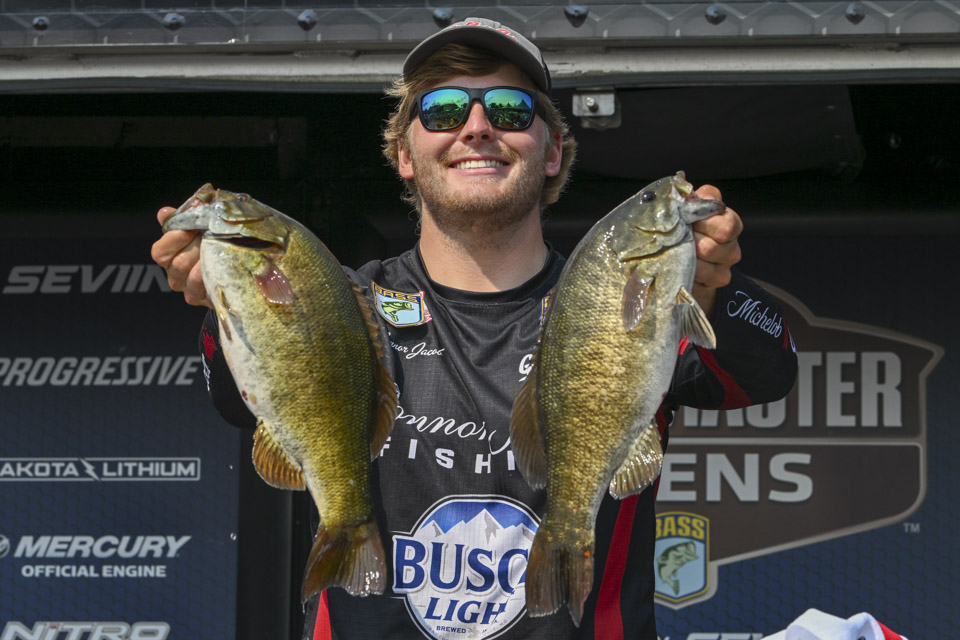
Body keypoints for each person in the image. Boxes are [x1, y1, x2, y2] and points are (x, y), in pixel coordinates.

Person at [151, 16, 798, 640]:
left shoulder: (611, 299)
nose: (478, 127)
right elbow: (236, 401)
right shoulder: (343, 304)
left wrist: (713, 288)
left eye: (511, 110)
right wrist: (223, 305)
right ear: (405, 155)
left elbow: (767, 371)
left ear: (553, 152)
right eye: (443, 110)